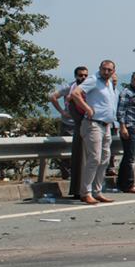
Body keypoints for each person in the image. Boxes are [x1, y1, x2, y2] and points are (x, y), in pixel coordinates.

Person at [69, 60, 117, 205]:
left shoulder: (109, 83)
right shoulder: (94, 80)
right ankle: (86, 192)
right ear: (99, 69)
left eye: (109, 70)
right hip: (93, 124)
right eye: (104, 69)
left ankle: (97, 191)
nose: (106, 72)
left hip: (106, 125)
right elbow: (76, 94)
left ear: (113, 71)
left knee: (104, 159)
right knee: (94, 158)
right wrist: (87, 108)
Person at [48, 65, 89, 196]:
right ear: (76, 76)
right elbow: (53, 96)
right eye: (80, 75)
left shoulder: (89, 87)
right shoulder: (69, 87)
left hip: (84, 123)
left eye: (85, 75)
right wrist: (62, 112)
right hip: (69, 124)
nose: (83, 77)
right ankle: (67, 175)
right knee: (68, 153)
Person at [115, 72, 135, 193]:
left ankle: (121, 183)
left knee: (128, 157)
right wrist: (123, 127)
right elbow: (121, 111)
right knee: (129, 158)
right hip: (130, 128)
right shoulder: (126, 93)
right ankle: (128, 185)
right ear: (131, 80)